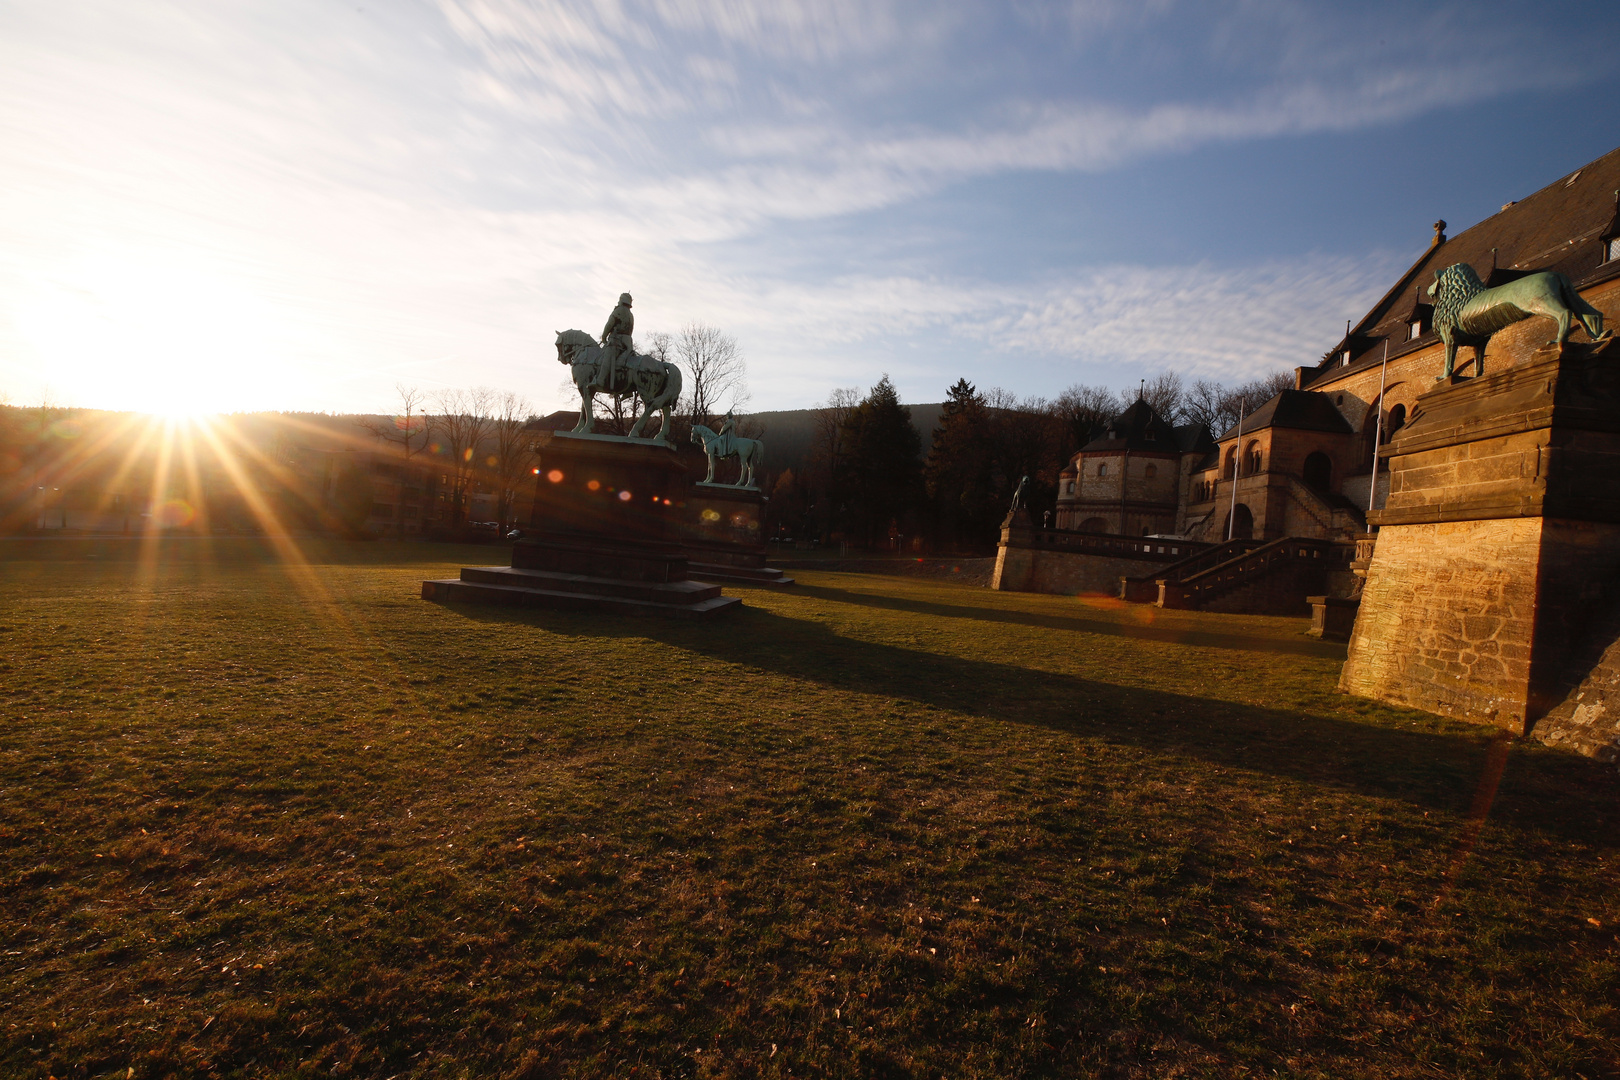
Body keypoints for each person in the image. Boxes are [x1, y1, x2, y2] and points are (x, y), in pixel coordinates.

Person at [599, 292, 634, 387]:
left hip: (617, 341)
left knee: (607, 357)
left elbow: (610, 324)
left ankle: (601, 380)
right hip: (628, 343)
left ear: (621, 300)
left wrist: (604, 336)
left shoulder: (619, 310)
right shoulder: (630, 314)